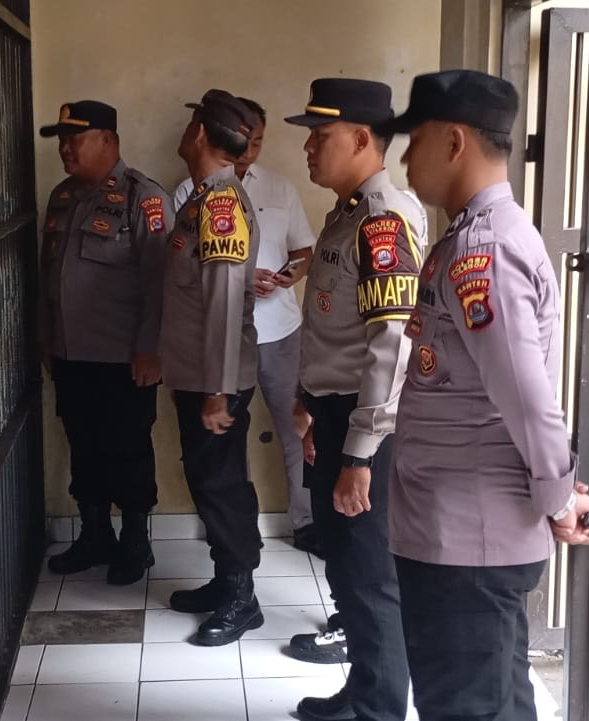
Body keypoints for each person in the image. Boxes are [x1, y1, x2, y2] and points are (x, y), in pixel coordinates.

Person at [384, 69, 589, 721]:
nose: (406, 159)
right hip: (466, 534)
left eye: (415, 141)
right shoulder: (476, 236)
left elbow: (527, 398)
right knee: (498, 702)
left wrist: (559, 498)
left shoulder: (481, 251)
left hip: (468, 540)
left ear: (454, 142)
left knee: (469, 707)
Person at [281, 78, 427, 721]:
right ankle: (362, 693)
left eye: (321, 136)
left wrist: (360, 453)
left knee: (369, 577)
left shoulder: (381, 221)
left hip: (368, 424)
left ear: (362, 138)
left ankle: (379, 710)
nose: (308, 148)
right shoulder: (346, 214)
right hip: (337, 412)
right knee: (343, 564)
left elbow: (390, 346)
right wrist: (311, 405)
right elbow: (335, 330)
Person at [172, 98, 321, 556]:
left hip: (270, 332)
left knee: (287, 432)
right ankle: (233, 546)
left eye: (258, 141)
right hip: (213, 349)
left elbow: (297, 253)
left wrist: (216, 388)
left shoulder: (236, 197)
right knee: (224, 458)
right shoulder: (194, 193)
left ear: (201, 134)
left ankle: (292, 529)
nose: (251, 149)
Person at [37, 100, 169, 585]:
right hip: (71, 354)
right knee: (82, 445)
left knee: (128, 448)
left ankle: (135, 540)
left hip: (124, 357)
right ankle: (95, 534)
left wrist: (151, 347)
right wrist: (47, 338)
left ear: (108, 140)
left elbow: (160, 282)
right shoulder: (62, 197)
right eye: (61, 140)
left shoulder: (144, 198)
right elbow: (48, 277)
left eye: (75, 138)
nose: (65, 148)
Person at [161, 89, 267, 646]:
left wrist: (218, 391)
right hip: (198, 373)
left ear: (200, 133)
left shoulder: (220, 206)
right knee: (208, 479)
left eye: (191, 125)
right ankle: (226, 579)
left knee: (222, 484)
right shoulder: (204, 199)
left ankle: (241, 598)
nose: (185, 134)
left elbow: (225, 304)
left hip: (215, 378)